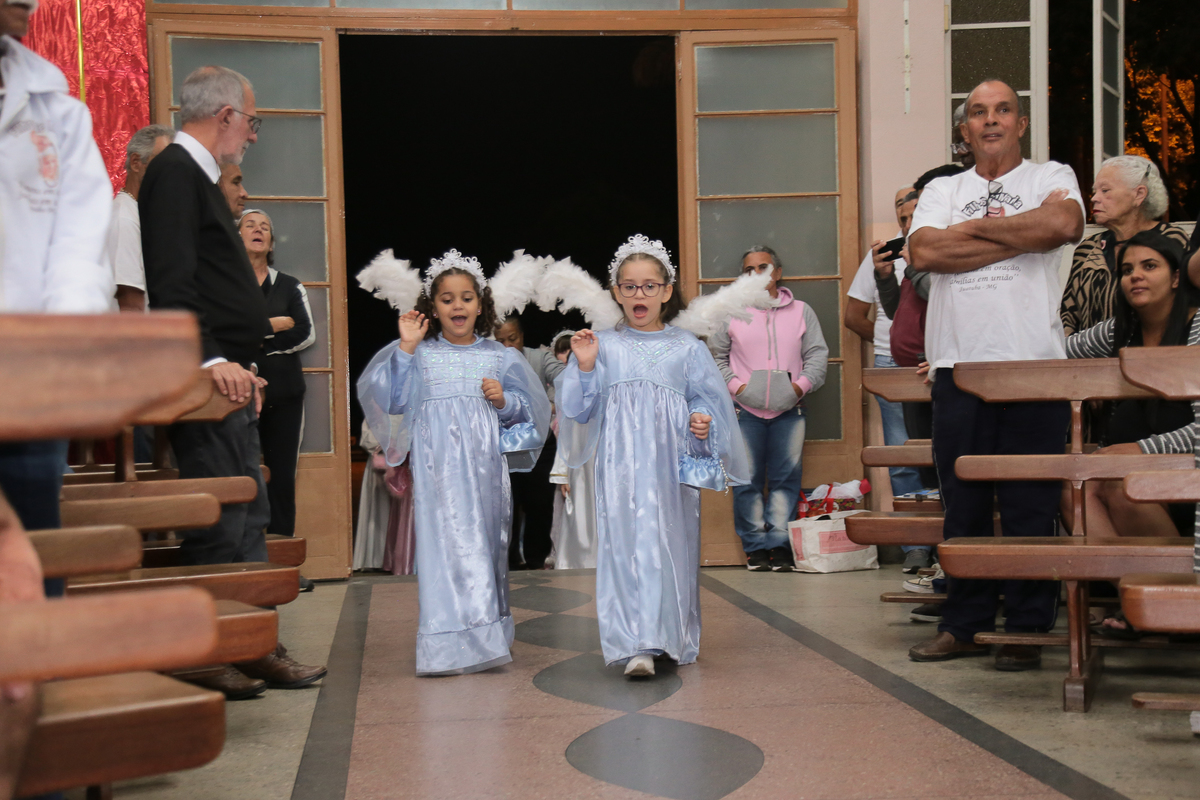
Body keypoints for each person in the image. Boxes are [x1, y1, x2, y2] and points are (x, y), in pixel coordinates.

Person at [141, 65, 326, 698]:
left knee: (249, 511)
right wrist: (209, 359)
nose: (252, 134)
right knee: (217, 517)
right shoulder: (174, 171)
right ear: (224, 116)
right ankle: (207, 651)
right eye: (251, 121)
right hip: (206, 377)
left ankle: (252, 643)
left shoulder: (197, 175)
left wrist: (237, 361)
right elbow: (171, 280)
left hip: (231, 375)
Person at [906, 79, 1085, 671]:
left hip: (1034, 367)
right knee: (964, 505)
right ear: (965, 130)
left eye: (1003, 110)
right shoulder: (943, 189)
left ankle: (1026, 629)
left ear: (1020, 124)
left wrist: (966, 234)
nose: (991, 120)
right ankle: (964, 624)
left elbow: (1062, 226)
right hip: (958, 366)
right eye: (979, 113)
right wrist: (1023, 234)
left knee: (1031, 505)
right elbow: (924, 253)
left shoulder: (1050, 175)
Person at [0, 4, 114, 797]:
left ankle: (34, 775)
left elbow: (77, 245)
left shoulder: (58, 112)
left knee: (29, 587)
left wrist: (60, 349)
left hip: (25, 385)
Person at [557, 235, 749, 677]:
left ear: (666, 291)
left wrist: (701, 420)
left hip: (670, 466)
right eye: (629, 286)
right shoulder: (602, 345)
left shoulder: (687, 347)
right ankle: (635, 643)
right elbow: (578, 409)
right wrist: (584, 367)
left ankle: (669, 635)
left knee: (670, 543)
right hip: (619, 467)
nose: (638, 294)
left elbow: (708, 400)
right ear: (616, 292)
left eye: (649, 286)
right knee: (625, 545)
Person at [358, 250, 550, 676]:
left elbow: (530, 413)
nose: (457, 306)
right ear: (433, 307)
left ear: (481, 305)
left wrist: (504, 400)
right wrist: (406, 348)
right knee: (441, 548)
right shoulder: (421, 354)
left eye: (466, 298)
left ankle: (484, 639)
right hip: (437, 470)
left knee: (483, 545)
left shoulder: (500, 356)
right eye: (447, 299)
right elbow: (392, 399)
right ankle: (444, 645)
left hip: (484, 470)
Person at [1064, 232, 1198, 538]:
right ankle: (1120, 571)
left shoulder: (1198, 328)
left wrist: (1140, 450)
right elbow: (1054, 351)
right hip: (1124, 468)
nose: (1135, 276)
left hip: (1186, 471)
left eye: (1149, 266)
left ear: (1176, 277)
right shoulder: (1120, 331)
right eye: (1127, 270)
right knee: (1072, 486)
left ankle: (1167, 571)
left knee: (1124, 488)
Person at [709, 245, 827, 572]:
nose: (757, 274)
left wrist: (799, 387)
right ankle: (755, 548)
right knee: (746, 481)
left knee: (785, 481)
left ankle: (779, 545)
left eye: (763, 267)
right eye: (749, 269)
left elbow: (817, 355)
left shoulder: (802, 311)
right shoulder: (731, 312)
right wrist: (738, 389)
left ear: (777, 272)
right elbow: (715, 357)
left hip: (790, 412)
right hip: (743, 413)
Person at [846, 186, 927, 571]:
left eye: (913, 214)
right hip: (892, 364)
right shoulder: (883, 255)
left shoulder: (943, 246)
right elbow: (854, 315)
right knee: (901, 456)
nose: (906, 221)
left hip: (938, 362)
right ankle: (916, 545)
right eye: (901, 215)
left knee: (943, 453)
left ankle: (950, 540)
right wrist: (890, 342)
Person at [238, 209, 315, 553]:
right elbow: (225, 329)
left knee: (281, 476)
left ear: (271, 243)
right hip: (237, 393)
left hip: (285, 395)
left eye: (265, 227)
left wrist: (259, 343)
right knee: (240, 475)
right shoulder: (226, 285)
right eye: (250, 225)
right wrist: (272, 325)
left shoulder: (289, 285)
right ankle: (242, 555)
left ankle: (282, 557)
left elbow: (305, 332)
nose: (258, 230)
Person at [1060, 156, 1186, 337]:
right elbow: (1068, 319)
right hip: (1091, 352)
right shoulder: (1087, 250)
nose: (1094, 198)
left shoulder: (1171, 239)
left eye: (1105, 190)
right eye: (1095, 192)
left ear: (1139, 194)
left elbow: (1187, 304)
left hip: (1156, 351)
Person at [494, 315, 564, 569]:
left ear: (522, 336)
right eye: (500, 341)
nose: (507, 346)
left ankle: (536, 561)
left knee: (540, 504)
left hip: (540, 443)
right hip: (504, 446)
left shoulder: (539, 358)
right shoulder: (489, 361)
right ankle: (508, 561)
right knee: (506, 504)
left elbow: (565, 377)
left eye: (512, 339)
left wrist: (550, 402)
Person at [109, 124, 174, 313]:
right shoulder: (124, 218)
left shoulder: (144, 214)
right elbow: (130, 305)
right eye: (164, 163)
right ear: (136, 162)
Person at [548, 330, 597, 570]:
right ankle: (577, 563)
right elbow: (566, 439)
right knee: (579, 516)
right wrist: (563, 473)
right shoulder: (572, 404)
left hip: (604, 466)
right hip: (579, 468)